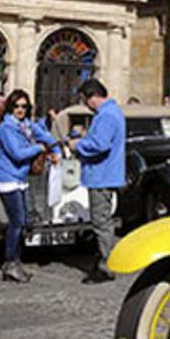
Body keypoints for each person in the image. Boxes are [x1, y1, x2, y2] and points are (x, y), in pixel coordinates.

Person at [0, 90, 61, 282]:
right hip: (8, 178)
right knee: (17, 221)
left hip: (21, 179)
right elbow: (17, 153)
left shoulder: (27, 125)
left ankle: (15, 261)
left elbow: (46, 136)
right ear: (10, 107)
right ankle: (10, 262)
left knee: (22, 221)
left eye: (24, 106)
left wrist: (55, 150)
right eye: (16, 106)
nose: (20, 110)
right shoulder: (7, 127)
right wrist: (39, 148)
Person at [69, 79, 126, 284]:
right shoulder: (111, 113)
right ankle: (104, 258)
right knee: (103, 221)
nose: (86, 105)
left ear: (92, 97)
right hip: (105, 175)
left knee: (101, 222)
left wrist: (78, 145)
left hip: (101, 176)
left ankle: (107, 265)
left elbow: (100, 145)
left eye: (85, 101)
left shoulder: (107, 116)